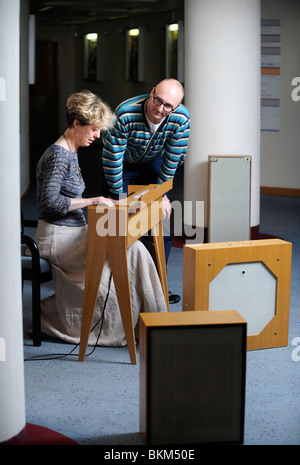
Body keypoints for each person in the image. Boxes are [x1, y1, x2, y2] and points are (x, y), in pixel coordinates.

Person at [34, 90, 167, 347]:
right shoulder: (59, 156)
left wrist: (115, 204)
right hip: (58, 239)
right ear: (76, 123)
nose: (97, 136)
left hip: (74, 234)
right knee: (130, 252)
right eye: (93, 129)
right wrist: (94, 201)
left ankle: (155, 324)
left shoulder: (71, 152)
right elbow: (49, 203)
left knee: (134, 249)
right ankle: (150, 325)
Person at [101, 78, 190, 303]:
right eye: (157, 100)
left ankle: (157, 286)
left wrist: (162, 195)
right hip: (124, 163)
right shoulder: (125, 113)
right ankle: (121, 284)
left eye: (167, 106)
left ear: (176, 107)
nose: (160, 109)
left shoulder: (181, 119)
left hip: (155, 164)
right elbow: (113, 158)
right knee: (121, 222)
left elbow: (173, 159)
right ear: (151, 92)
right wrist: (117, 196)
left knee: (163, 220)